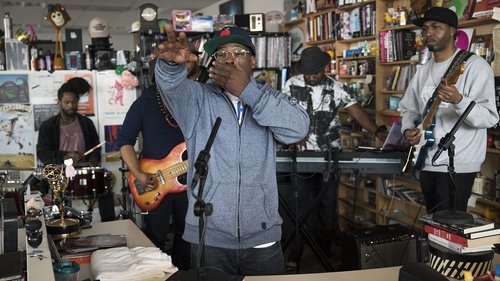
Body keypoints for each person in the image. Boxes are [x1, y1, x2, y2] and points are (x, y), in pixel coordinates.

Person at [154, 25, 310, 276]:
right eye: (221, 54)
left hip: (262, 238)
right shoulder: (197, 99)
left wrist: (249, 92)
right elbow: (171, 87)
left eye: (238, 52)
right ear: (213, 62)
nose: (230, 59)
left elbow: (299, 129)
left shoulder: (270, 98)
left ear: (253, 59)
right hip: (209, 236)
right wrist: (171, 67)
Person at [281, 46, 386, 268]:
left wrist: (377, 131)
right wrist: (291, 137)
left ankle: (324, 253)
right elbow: (282, 114)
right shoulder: (291, 84)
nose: (311, 77)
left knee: (327, 208)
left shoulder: (335, 87)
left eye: (316, 73)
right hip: (300, 155)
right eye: (308, 73)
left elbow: (356, 111)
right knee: (299, 206)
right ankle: (294, 255)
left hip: (329, 155)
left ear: (324, 69)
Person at [399, 7, 499, 213]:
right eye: (425, 28)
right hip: (426, 160)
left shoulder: (475, 66)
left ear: (453, 31)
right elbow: (408, 108)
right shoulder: (423, 70)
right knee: (432, 226)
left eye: (436, 27)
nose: (429, 33)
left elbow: (489, 118)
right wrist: (408, 129)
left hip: (458, 165)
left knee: (449, 234)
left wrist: (459, 100)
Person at [116, 45, 202, 270]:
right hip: (153, 183)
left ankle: (183, 274)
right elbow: (125, 142)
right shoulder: (144, 103)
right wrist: (139, 174)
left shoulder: (192, 100)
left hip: (189, 182)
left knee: (188, 236)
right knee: (155, 238)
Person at [37, 77, 115, 221]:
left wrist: (93, 159)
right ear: (59, 102)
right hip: (59, 173)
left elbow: (95, 147)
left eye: (74, 102)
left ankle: (109, 225)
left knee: (106, 186)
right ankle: (59, 224)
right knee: (55, 198)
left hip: (83, 171)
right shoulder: (48, 126)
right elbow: (43, 153)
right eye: (67, 102)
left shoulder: (86, 123)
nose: (71, 105)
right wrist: (64, 157)